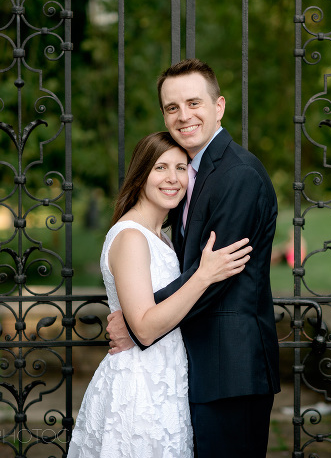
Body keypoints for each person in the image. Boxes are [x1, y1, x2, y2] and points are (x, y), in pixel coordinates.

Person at [107, 58, 281, 457]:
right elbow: (195, 269)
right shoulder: (191, 175)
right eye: (172, 107)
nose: (183, 116)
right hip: (199, 367)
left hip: (231, 369)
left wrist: (139, 321)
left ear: (218, 106)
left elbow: (217, 274)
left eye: (194, 103)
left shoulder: (237, 175)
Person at [67, 132, 252, 458]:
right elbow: (145, 328)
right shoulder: (131, 237)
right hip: (139, 388)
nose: (173, 178)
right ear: (140, 175)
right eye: (161, 168)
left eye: (181, 168)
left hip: (166, 383)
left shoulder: (163, 237)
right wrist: (204, 275)